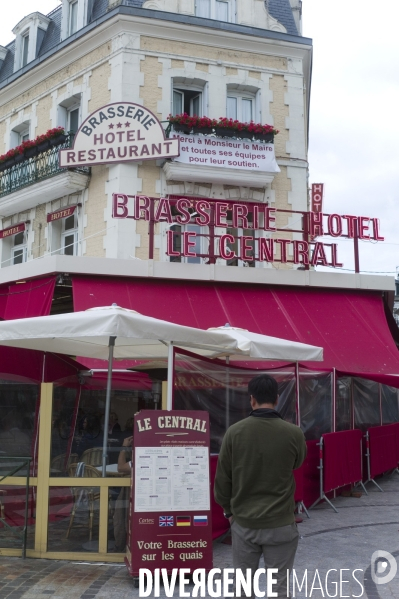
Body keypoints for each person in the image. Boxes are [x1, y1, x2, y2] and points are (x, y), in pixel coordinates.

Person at [214, 374, 307, 598]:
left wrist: (229, 511)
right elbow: (298, 462)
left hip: (244, 524)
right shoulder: (293, 433)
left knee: (244, 589)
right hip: (281, 524)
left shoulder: (234, 433)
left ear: (252, 400)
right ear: (277, 399)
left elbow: (222, 482)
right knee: (280, 589)